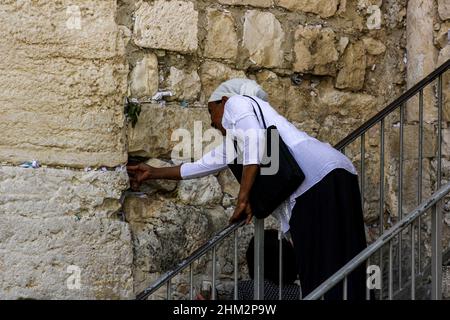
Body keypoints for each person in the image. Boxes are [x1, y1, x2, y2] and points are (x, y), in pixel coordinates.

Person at [127, 78, 368, 300]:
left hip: (314, 185)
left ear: (223, 101)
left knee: (318, 270)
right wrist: (154, 172)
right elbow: (203, 165)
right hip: (336, 171)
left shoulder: (236, 103)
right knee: (348, 265)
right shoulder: (243, 135)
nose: (213, 124)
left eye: (212, 114)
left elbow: (254, 139)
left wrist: (243, 197)